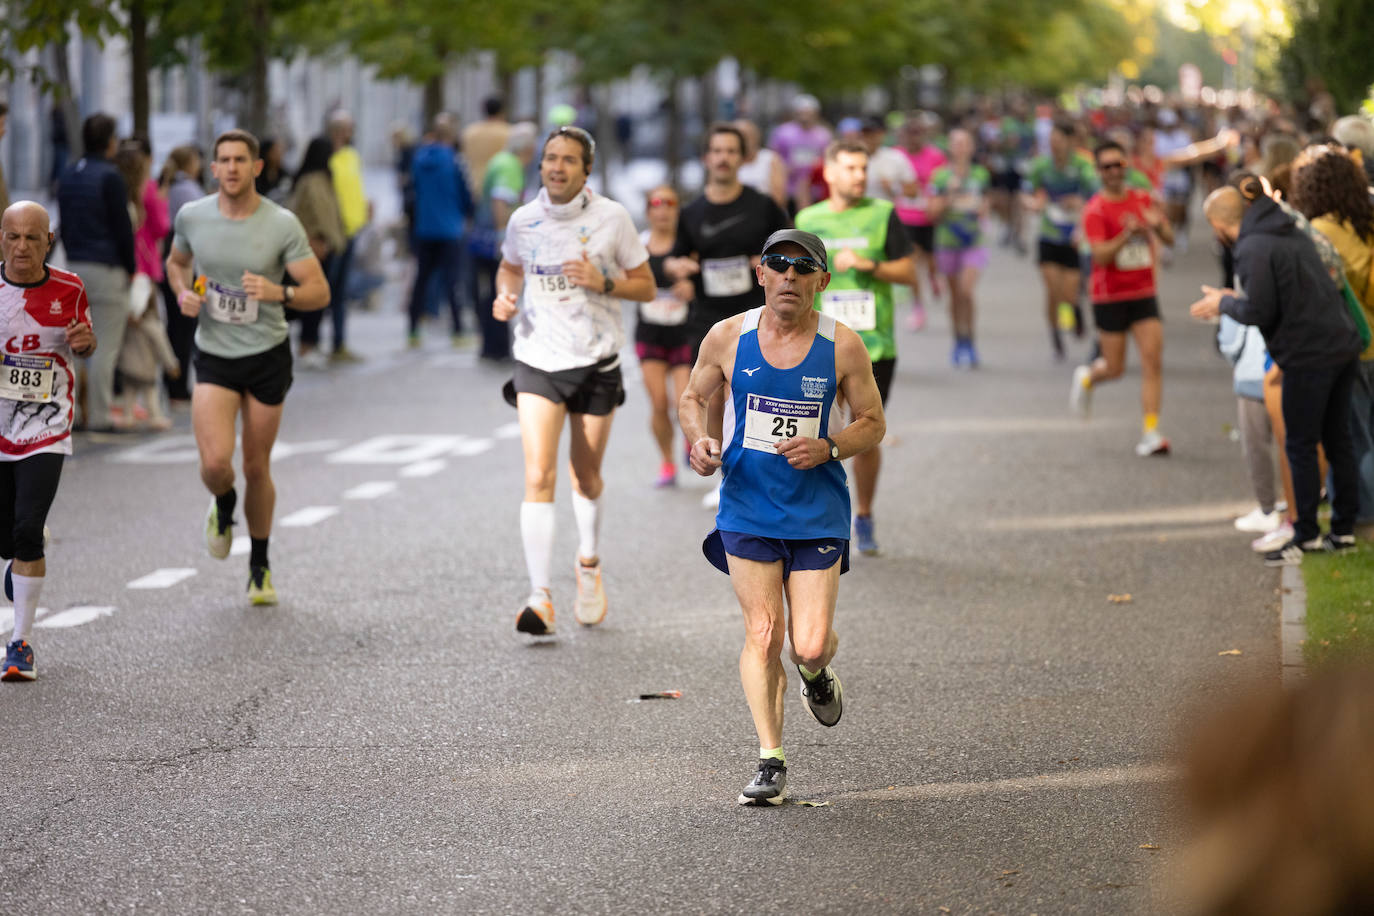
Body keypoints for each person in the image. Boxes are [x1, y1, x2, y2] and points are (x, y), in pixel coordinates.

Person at [679, 228, 885, 805]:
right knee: (763, 634)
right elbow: (692, 399)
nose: (789, 276)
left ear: (822, 281)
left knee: (810, 644)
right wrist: (699, 441)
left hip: (816, 508)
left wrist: (831, 447)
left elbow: (873, 420)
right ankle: (771, 758)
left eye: (804, 268)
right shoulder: (727, 336)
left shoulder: (842, 345)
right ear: (760, 272)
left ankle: (816, 677)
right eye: (779, 265)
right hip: (746, 503)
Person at [492, 126, 654, 635]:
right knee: (538, 475)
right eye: (549, 159)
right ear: (539, 166)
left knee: (584, 475)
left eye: (568, 160)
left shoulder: (613, 219)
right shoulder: (524, 219)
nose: (557, 167)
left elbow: (647, 287)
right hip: (538, 358)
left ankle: (588, 562)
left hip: (596, 359)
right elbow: (510, 267)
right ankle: (539, 595)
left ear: (586, 169)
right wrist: (506, 295)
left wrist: (603, 280)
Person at [165, 129, 331, 604]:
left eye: (241, 160)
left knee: (256, 465)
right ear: (212, 169)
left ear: (257, 167)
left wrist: (279, 292)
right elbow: (175, 263)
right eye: (224, 160)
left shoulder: (281, 224)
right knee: (217, 464)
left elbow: (319, 291)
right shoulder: (192, 216)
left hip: (266, 355)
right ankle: (223, 502)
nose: (232, 168)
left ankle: (259, 565)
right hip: (215, 353)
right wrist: (182, 290)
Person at [1192, 183, 1362, 566]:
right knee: (1338, 440)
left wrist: (1224, 303)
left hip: (1308, 355)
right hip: (1340, 343)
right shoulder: (1286, 229)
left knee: (1300, 444)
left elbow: (1259, 311)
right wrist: (1232, 300)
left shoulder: (1252, 248)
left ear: (1218, 225)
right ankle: (1343, 529)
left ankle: (1305, 536)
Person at [795, 139, 914, 555]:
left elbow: (909, 271)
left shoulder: (883, 215)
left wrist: (870, 266)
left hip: (874, 346)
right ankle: (817, 519)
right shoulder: (809, 218)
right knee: (819, 432)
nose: (859, 176)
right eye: (849, 168)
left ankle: (863, 514)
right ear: (828, 172)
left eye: (863, 168)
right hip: (821, 344)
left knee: (864, 431)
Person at [668, 123, 790, 506]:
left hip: (757, 312)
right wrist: (679, 272)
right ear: (706, 158)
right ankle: (721, 470)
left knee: (758, 391)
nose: (723, 158)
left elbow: (789, 252)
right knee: (713, 390)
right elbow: (676, 257)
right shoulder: (691, 213)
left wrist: (768, 261)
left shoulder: (763, 205)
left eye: (730, 151)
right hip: (707, 313)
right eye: (716, 151)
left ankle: (766, 465)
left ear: (742, 158)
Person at [0, 201, 97, 680]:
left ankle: (20, 645)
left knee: (26, 529)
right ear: (2, 238)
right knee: (10, 534)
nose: (22, 247)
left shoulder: (69, 287)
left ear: (47, 241)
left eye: (32, 238)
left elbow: (87, 340)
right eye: (13, 236)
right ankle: (19, 554)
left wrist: (84, 342)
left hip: (47, 425)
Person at [1071, 140, 1174, 457]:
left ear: (1126, 166)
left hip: (1143, 291)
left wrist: (1156, 226)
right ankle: (1089, 376)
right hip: (1110, 295)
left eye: (1119, 165)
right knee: (1115, 368)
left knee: (1152, 360)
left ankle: (1151, 431)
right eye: (1107, 167)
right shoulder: (1095, 210)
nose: (1114, 171)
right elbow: (1100, 257)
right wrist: (1127, 236)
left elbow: (1168, 237)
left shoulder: (1143, 200)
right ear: (1099, 171)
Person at [1288, 144, 1374, 525]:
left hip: (1355, 345)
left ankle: (1361, 517)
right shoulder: (1364, 220)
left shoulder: (1324, 230)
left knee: (1354, 441)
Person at [55, 113, 135, 432]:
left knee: (73, 344)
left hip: (72, 266)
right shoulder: (111, 177)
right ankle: (100, 415)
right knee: (104, 344)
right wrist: (130, 269)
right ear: (111, 142)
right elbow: (122, 228)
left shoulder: (69, 173)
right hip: (106, 266)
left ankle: (71, 414)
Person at [1024, 121, 1098, 358]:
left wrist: (1080, 203)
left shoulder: (1083, 165)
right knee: (1052, 290)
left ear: (1070, 142)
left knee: (1069, 291)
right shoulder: (1041, 166)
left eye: (1058, 142)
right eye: (1051, 142)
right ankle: (1054, 332)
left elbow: (1096, 198)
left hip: (1075, 236)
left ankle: (1075, 310)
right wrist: (1035, 203)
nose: (1054, 147)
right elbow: (1026, 193)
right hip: (1049, 234)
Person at [636, 185, 693, 487]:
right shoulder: (638, 246)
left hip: (683, 334)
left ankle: (688, 438)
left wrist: (691, 288)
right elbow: (626, 281)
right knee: (659, 402)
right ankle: (667, 462)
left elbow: (702, 279)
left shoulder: (687, 245)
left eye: (669, 203)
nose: (663, 210)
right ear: (648, 211)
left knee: (683, 401)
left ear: (676, 210)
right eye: (656, 204)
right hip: (651, 333)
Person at [406, 113, 474, 349]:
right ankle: (458, 331)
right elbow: (465, 195)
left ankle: (413, 331)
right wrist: (468, 214)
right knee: (452, 281)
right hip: (449, 228)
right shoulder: (455, 161)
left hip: (424, 228)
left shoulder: (419, 159)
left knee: (421, 281)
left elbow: (412, 190)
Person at [470, 122, 537, 362]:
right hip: (494, 239)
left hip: (484, 236)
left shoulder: (501, 160)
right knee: (500, 291)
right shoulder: (510, 166)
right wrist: (502, 236)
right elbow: (500, 201)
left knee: (491, 292)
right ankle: (496, 348)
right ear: (527, 148)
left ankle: (493, 347)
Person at [927, 128, 992, 368]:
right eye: (957, 143)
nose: (961, 148)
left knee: (966, 291)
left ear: (972, 147)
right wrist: (949, 196)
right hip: (947, 241)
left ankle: (970, 340)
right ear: (950, 148)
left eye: (966, 143)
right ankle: (958, 340)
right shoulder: (940, 177)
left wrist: (981, 209)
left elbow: (986, 205)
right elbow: (931, 212)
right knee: (954, 296)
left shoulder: (980, 174)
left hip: (972, 241)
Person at [286, 137, 347, 370]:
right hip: (316, 246)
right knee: (314, 298)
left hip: (321, 245)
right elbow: (320, 215)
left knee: (319, 298)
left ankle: (310, 342)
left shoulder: (316, 178)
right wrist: (326, 239)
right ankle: (306, 344)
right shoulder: (314, 181)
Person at [893, 112, 948, 333]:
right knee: (912, 261)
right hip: (904, 216)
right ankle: (918, 307)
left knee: (930, 260)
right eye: (910, 133)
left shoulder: (935, 156)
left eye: (918, 133)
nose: (913, 138)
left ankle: (934, 278)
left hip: (927, 215)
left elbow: (941, 185)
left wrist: (937, 203)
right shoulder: (895, 155)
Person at [159, 145, 204, 403]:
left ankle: (172, 378)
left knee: (175, 323)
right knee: (186, 324)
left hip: (170, 263)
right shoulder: (188, 189)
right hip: (188, 265)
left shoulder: (170, 187)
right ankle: (178, 384)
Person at [325, 110, 366, 363]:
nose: (349, 132)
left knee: (341, 291)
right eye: (346, 127)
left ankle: (339, 343)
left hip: (351, 230)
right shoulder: (328, 157)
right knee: (326, 289)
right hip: (333, 232)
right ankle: (313, 342)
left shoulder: (352, 155)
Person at [768, 95, 832, 214]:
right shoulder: (783, 132)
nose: (805, 116)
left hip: (814, 190)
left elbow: (827, 159)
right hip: (789, 189)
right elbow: (773, 158)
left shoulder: (823, 135)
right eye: (801, 112)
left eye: (808, 113)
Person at [734, 119, 787, 211]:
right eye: (739, 137)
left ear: (756, 137)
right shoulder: (729, 161)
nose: (744, 141)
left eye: (747, 136)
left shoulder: (770, 159)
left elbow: (779, 197)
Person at [461, 96, 511, 194]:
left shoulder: (469, 132)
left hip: (473, 186)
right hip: (500, 187)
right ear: (502, 111)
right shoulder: (508, 132)